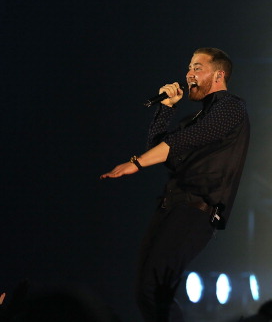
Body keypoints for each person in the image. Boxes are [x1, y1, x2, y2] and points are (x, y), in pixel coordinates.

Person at [100, 47, 250, 322]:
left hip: (195, 211)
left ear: (219, 74)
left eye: (197, 68)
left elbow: (177, 144)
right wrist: (165, 109)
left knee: (154, 289)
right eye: (189, 67)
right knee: (144, 290)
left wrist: (136, 162)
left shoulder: (231, 108)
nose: (188, 74)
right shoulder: (192, 119)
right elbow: (163, 151)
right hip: (170, 207)